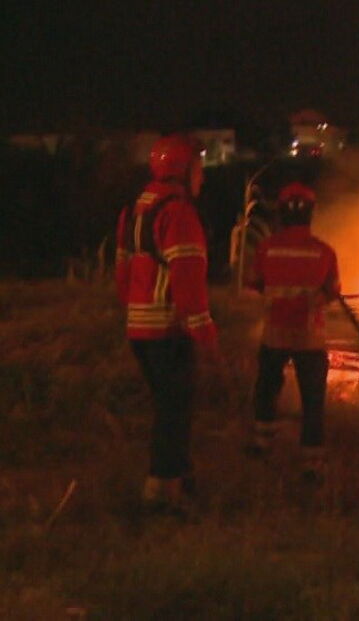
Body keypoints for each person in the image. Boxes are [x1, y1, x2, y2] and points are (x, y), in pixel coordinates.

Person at [115, 133, 218, 511]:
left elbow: (123, 271)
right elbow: (187, 280)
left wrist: (133, 309)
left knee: (166, 406)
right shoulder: (179, 213)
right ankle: (163, 491)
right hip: (167, 329)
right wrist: (204, 330)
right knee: (175, 411)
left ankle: (178, 476)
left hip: (139, 329)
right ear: (183, 170)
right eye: (199, 169)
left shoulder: (135, 208)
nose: (202, 179)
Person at [247, 181, 341, 481]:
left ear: (281, 213)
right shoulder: (324, 252)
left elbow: (254, 285)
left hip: (274, 334)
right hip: (309, 337)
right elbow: (333, 291)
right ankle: (311, 462)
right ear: (310, 214)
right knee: (312, 399)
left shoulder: (266, 249)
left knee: (266, 388)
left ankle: (262, 443)